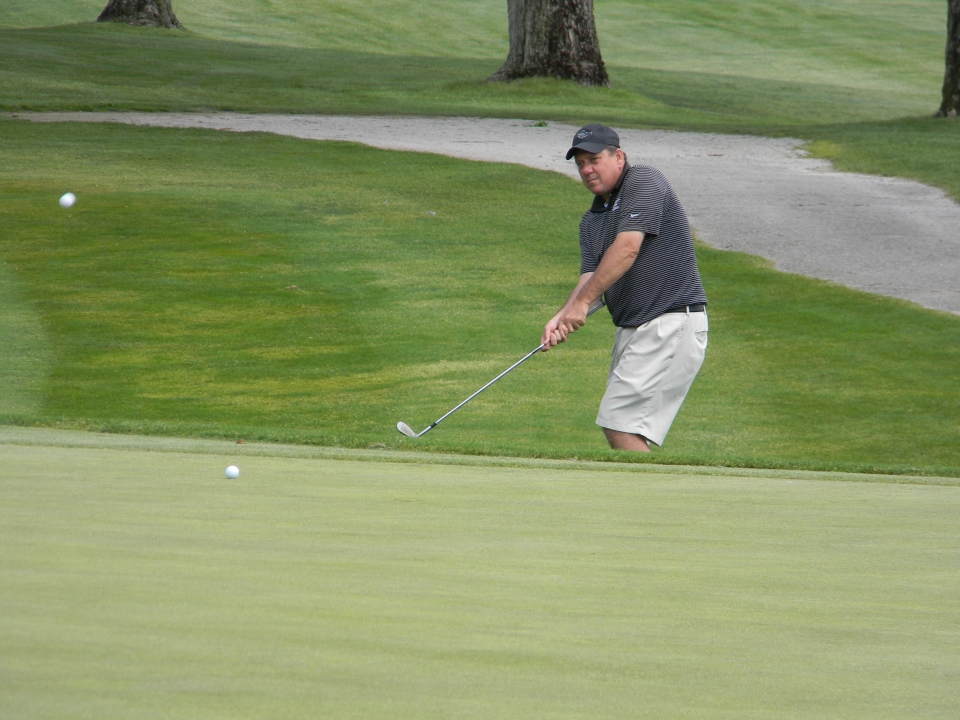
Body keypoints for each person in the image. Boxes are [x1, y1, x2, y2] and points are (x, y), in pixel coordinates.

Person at [542, 124, 708, 452]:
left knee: (620, 424)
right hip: (635, 328)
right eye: (580, 164)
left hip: (670, 320)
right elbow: (590, 279)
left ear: (619, 156)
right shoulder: (592, 220)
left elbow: (627, 249)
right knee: (622, 426)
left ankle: (650, 489)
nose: (587, 170)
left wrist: (582, 304)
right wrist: (561, 316)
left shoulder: (643, 180)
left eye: (594, 160)